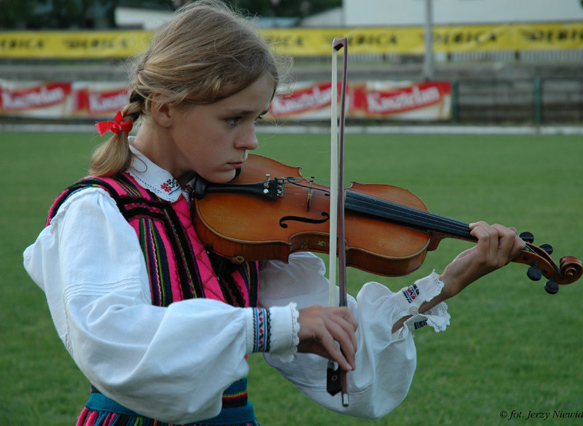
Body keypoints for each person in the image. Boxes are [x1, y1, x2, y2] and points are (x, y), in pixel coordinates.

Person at [23, 1, 525, 425]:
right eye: (233, 119)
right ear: (165, 107)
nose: (251, 140)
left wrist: (443, 285)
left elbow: (340, 341)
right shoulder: (98, 209)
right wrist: (272, 327)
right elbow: (113, 342)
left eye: (256, 118)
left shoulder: (235, 217)